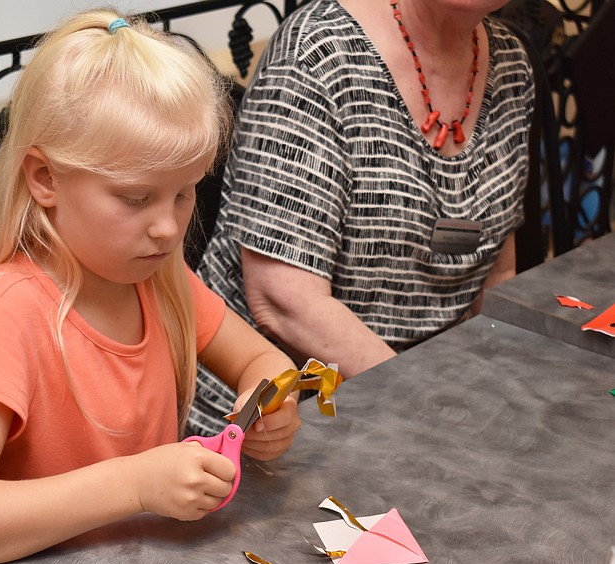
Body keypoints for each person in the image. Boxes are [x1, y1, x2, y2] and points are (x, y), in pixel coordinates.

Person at [0, 9, 301, 564]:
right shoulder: (6, 312)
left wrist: (267, 406)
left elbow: (264, 361)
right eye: (137, 199)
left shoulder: (162, 280)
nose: (168, 227)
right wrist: (135, 486)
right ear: (45, 178)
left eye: (184, 193)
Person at [188, 0, 533, 436]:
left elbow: (497, 273)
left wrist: (491, 390)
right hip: (277, 426)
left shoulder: (512, 65)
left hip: (424, 410)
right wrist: (436, 408)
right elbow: (285, 302)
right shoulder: (318, 52)